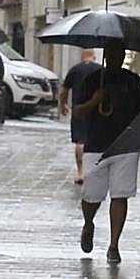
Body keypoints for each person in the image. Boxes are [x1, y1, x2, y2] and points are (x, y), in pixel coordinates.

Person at [74, 42, 140, 265]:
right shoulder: (92, 80)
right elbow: (78, 112)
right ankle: (88, 223)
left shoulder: (133, 82)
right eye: (112, 54)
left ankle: (114, 245)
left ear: (123, 56)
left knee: (120, 195)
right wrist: (93, 102)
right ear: (106, 56)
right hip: (96, 145)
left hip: (125, 146)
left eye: (120, 54)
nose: (116, 58)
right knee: (92, 195)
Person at [59, 49, 100, 185]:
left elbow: (64, 91)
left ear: (82, 57)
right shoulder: (100, 70)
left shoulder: (75, 70)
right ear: (94, 57)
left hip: (79, 110)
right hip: (97, 110)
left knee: (80, 141)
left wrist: (63, 105)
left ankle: (81, 172)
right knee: (97, 141)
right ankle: (93, 170)